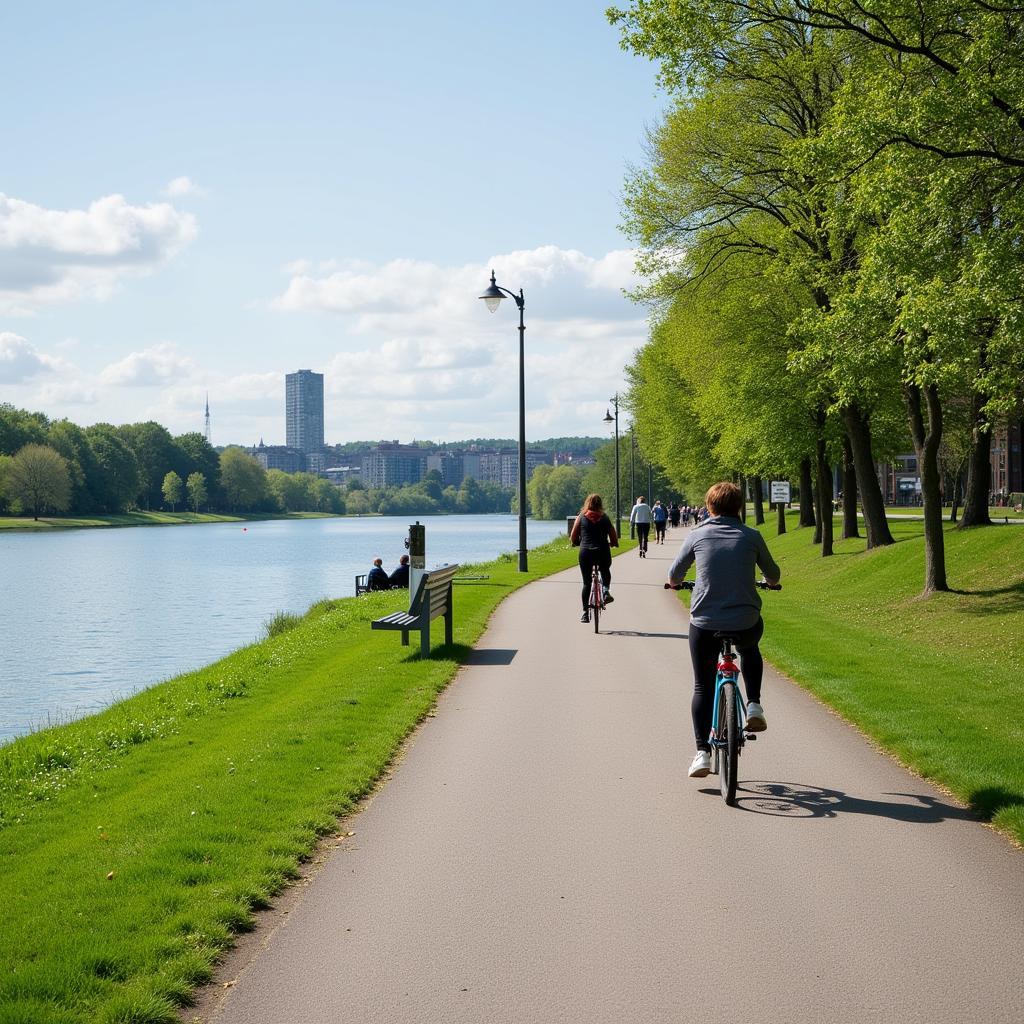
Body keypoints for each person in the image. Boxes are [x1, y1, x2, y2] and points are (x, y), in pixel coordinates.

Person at [667, 481, 781, 780]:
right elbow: (773, 575)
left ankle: (702, 752)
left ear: (709, 507)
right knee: (749, 648)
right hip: (744, 620)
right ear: (739, 507)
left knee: (702, 686)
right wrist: (769, 583)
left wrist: (677, 584)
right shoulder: (752, 536)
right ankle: (753, 703)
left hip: (705, 623)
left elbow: (674, 574)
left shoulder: (697, 535)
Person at [570, 493, 619, 623]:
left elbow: (573, 536)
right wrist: (614, 543)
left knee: (587, 583)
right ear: (600, 504)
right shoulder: (605, 518)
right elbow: (613, 536)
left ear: (587, 503)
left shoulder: (581, 517)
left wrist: (576, 543)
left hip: (585, 553)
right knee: (605, 569)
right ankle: (606, 591)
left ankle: (585, 613)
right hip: (602, 551)